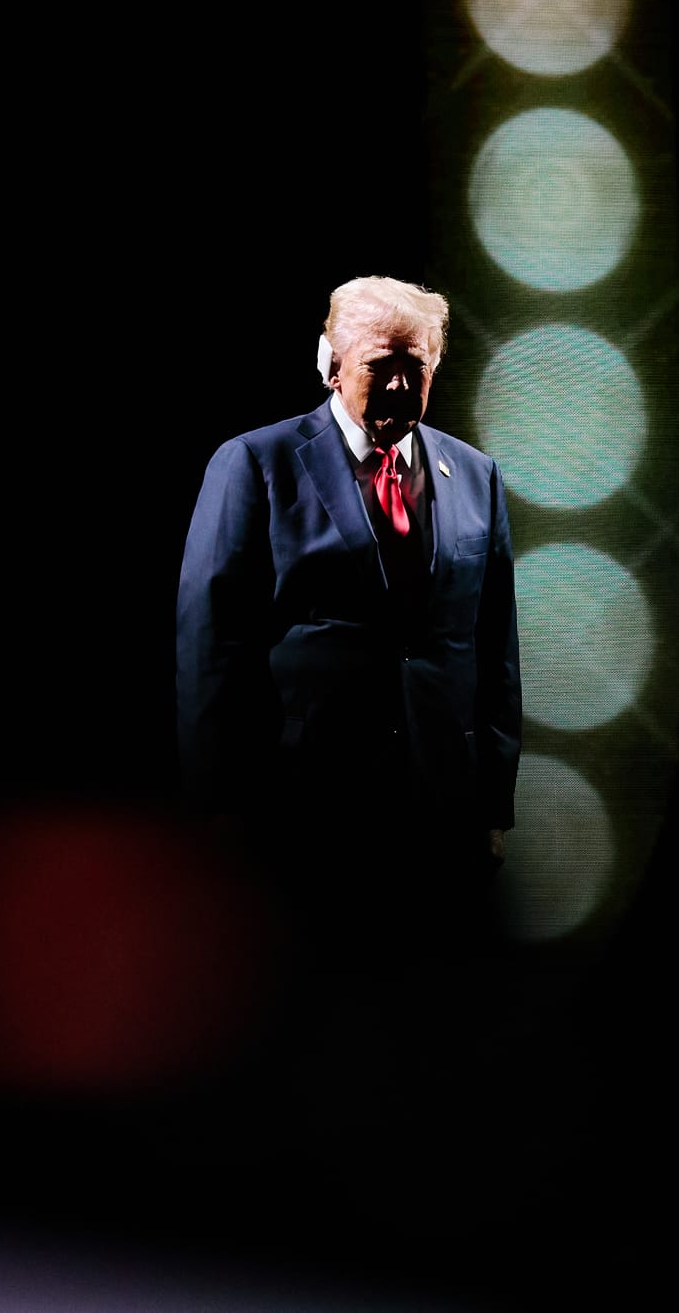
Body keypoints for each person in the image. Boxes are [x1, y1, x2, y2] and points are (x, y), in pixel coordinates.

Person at [176, 275, 522, 958]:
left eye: (414, 366)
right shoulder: (254, 464)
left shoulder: (476, 474)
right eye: (379, 366)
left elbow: (494, 647)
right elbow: (211, 645)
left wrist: (492, 807)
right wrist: (218, 805)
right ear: (331, 363)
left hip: (438, 816)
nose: (398, 385)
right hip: (303, 811)